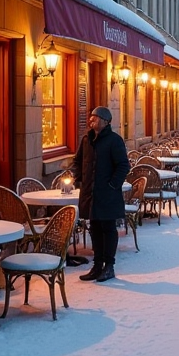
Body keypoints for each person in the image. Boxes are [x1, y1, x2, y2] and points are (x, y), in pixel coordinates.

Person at [73, 106, 130, 283]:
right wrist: (79, 179)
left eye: (95, 118)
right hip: (90, 193)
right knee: (94, 228)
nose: (91, 121)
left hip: (108, 193)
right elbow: (78, 161)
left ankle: (109, 266)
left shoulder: (115, 140)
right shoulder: (86, 140)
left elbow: (123, 165)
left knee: (108, 228)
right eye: (91, 118)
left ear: (106, 122)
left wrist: (112, 185)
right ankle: (97, 265)